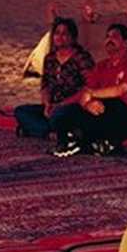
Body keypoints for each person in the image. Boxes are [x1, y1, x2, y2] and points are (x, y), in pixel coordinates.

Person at [54, 23, 127, 156]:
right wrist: (87, 104)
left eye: (114, 36)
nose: (109, 40)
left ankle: (86, 140)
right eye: (107, 36)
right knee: (67, 112)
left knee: (111, 104)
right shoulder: (101, 66)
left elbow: (120, 90)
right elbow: (85, 92)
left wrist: (92, 95)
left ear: (126, 43)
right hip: (104, 111)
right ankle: (85, 141)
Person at [15, 17, 94, 154]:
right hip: (54, 105)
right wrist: (47, 104)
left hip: (73, 106)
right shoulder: (50, 58)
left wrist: (63, 104)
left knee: (59, 116)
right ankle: (53, 133)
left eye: (64, 34)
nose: (59, 37)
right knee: (21, 111)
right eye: (57, 33)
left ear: (73, 37)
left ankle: (44, 130)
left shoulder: (82, 58)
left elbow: (89, 88)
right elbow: (45, 84)